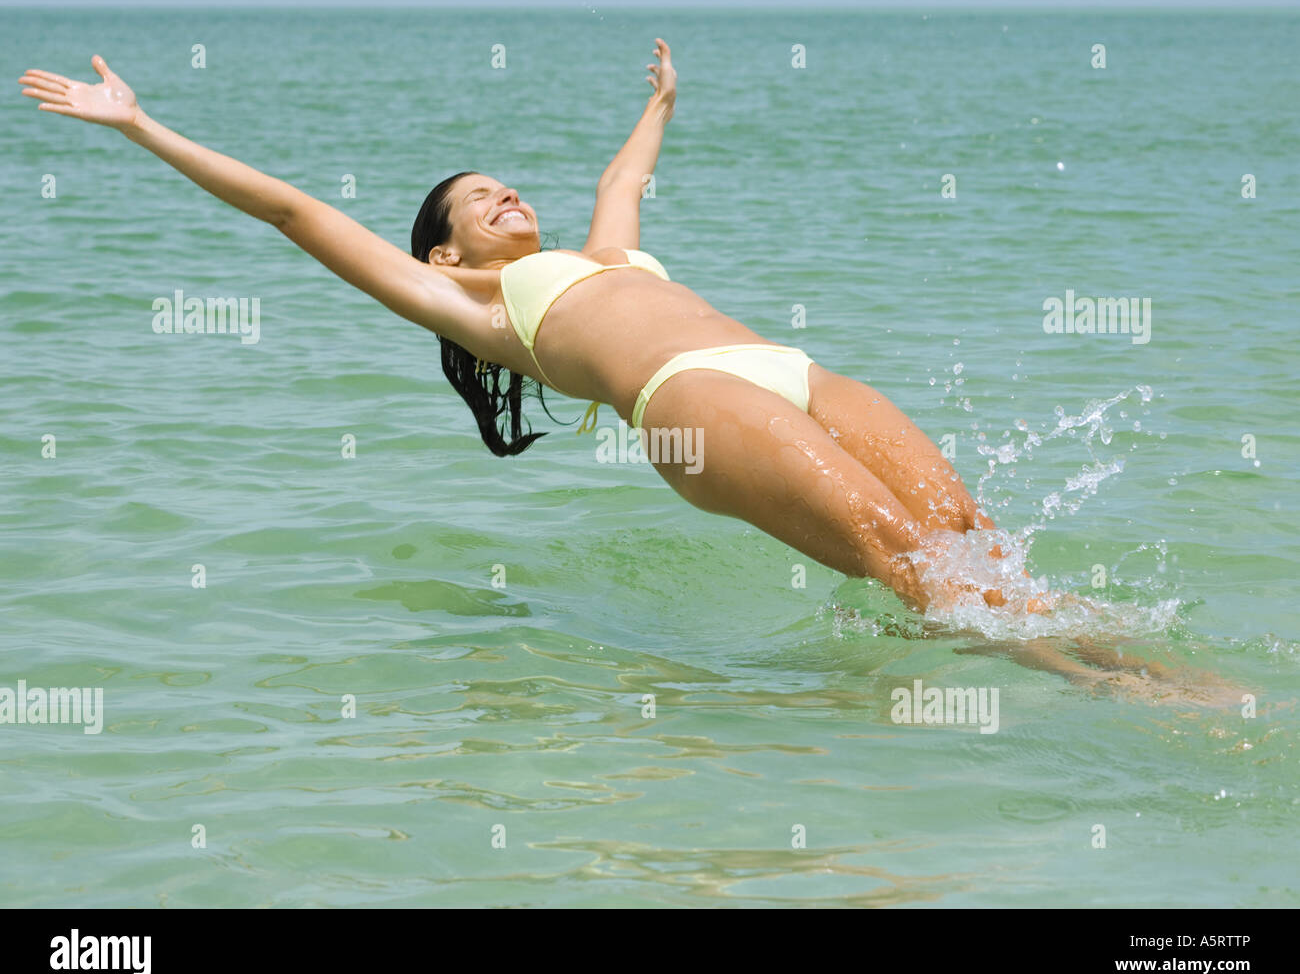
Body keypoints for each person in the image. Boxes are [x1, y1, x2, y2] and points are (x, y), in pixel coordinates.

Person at [7, 42, 1096, 620]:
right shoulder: (478, 308)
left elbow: (620, 179)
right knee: (908, 558)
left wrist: (662, 99)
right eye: (478, 199)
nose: (503, 196)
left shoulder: (607, 258)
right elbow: (296, 209)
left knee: (972, 533)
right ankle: (1100, 682)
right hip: (688, 403)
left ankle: (1068, 642)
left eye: (506, 185)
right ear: (444, 254)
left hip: (788, 370)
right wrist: (142, 124)